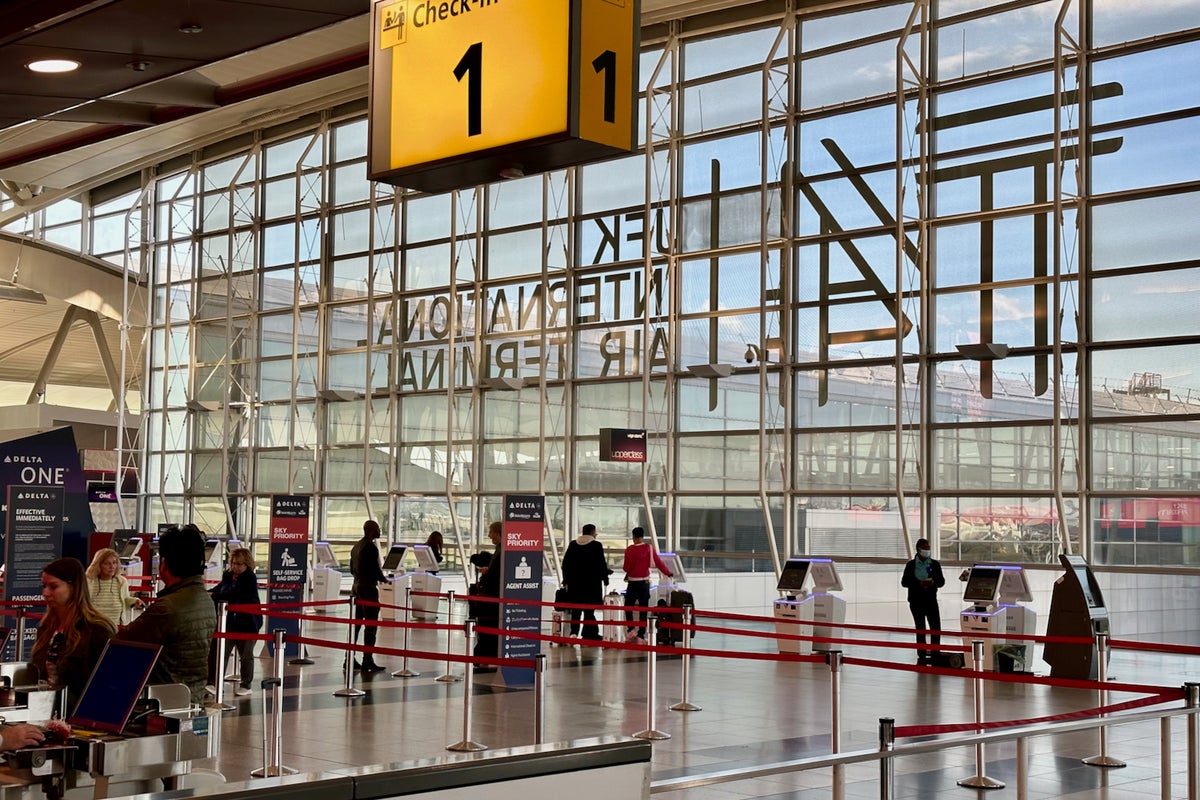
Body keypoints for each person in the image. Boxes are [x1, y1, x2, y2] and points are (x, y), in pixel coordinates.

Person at [116, 524, 217, 705]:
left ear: (165, 563)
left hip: (162, 701)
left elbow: (122, 640)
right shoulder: (204, 599)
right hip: (191, 695)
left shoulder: (168, 608)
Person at [31, 557, 117, 712]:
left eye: (53, 586)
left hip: (81, 713)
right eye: (44, 586)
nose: (45, 593)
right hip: (46, 711)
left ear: (73, 587)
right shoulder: (47, 627)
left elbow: (108, 683)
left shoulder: (97, 630)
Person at [206, 547, 262, 697]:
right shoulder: (228, 575)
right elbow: (221, 588)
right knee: (220, 652)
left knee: (246, 655)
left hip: (248, 623)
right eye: (234, 563)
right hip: (230, 622)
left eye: (239, 564)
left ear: (247, 564)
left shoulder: (249, 578)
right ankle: (214, 682)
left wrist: (215, 595)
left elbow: (236, 594)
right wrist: (209, 592)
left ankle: (246, 684)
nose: (236, 567)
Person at [622, 527, 672, 644]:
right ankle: (641, 635)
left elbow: (626, 568)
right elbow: (659, 563)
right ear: (642, 536)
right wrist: (668, 573)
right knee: (643, 609)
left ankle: (631, 629)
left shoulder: (629, 550)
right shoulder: (649, 548)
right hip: (644, 583)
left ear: (633, 537)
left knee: (628, 606)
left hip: (632, 583)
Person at [561, 523, 610, 642]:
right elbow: (601, 564)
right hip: (591, 585)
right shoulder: (596, 545)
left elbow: (565, 565)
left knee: (576, 611)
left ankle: (573, 633)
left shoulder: (573, 545)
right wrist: (606, 579)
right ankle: (589, 634)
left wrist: (566, 580)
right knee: (589, 611)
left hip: (575, 585)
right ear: (593, 533)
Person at [901, 537, 946, 665]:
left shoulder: (934, 564)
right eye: (925, 548)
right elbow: (904, 582)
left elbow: (941, 582)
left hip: (931, 600)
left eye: (928, 547)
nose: (927, 550)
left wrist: (932, 582)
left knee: (935, 627)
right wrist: (918, 583)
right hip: (916, 601)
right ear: (918, 549)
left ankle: (935, 653)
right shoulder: (911, 565)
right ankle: (921, 654)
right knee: (920, 628)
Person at [349, 519, 386, 672]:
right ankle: (367, 659)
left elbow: (352, 569)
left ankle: (349, 658)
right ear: (371, 530)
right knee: (370, 625)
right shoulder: (370, 547)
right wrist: (384, 579)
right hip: (368, 589)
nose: (380, 531)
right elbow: (374, 569)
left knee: (355, 625)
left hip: (356, 587)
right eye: (378, 528)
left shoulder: (356, 546)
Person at [471, 521, 503, 666]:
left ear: (497, 533)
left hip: (493, 596)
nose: (489, 535)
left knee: (488, 627)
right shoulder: (498, 550)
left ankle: (482, 655)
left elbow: (498, 573)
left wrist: (488, 573)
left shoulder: (501, 551)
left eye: (491, 532)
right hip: (492, 595)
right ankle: (482, 655)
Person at [85, 547, 143, 628]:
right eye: (107, 563)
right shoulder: (89, 582)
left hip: (115, 628)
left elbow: (125, 600)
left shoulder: (121, 582)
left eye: (114, 563)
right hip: (93, 628)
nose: (112, 566)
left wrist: (135, 601)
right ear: (98, 565)